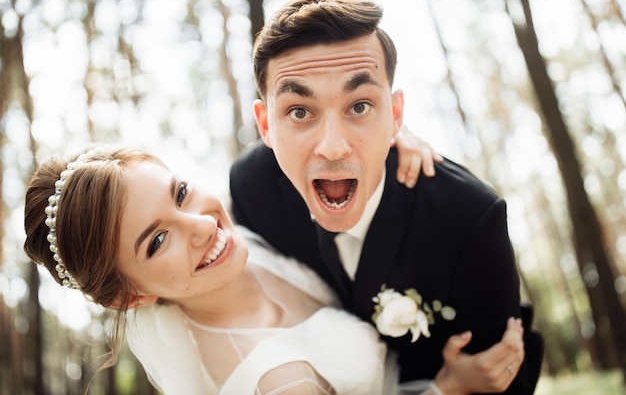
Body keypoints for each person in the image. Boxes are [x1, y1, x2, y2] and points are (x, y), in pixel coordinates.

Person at [23, 144, 524, 395]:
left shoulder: (239, 235)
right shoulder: (279, 381)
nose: (200, 224)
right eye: (157, 241)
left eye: (179, 193)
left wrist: (389, 138)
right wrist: (448, 389)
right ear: (130, 296)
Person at [229, 0, 543, 395]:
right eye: (300, 112)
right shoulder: (252, 190)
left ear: (395, 116)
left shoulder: (467, 219)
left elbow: (504, 379)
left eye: (359, 105)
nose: (332, 147)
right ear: (265, 125)